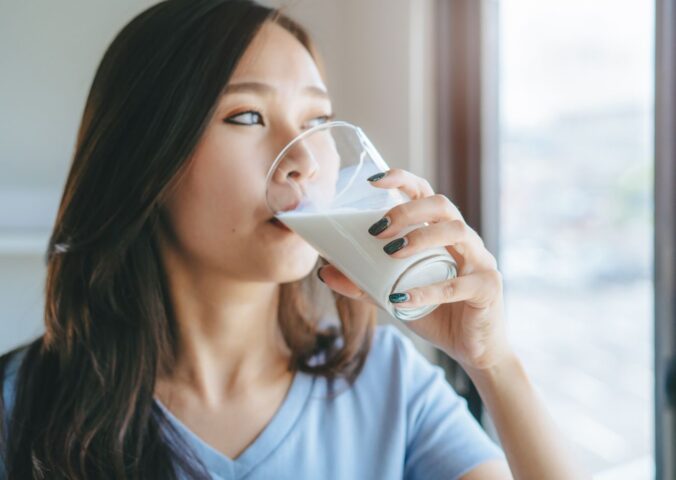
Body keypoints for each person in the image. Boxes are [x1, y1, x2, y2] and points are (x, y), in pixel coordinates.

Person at [0, 1, 588, 478]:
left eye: (315, 122)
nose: (304, 158)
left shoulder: (386, 383)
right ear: (146, 159)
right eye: (247, 116)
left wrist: (493, 363)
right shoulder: (20, 409)